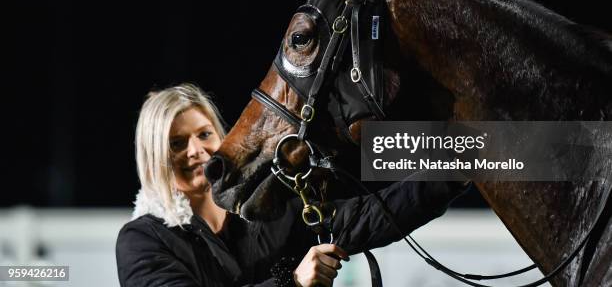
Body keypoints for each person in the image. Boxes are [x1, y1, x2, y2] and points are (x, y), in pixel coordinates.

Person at [116, 83, 468, 286]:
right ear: (154, 156)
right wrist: (293, 283)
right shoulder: (142, 240)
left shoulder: (266, 207)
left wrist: (462, 164)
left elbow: (368, 217)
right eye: (177, 143)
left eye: (204, 134)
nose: (196, 151)